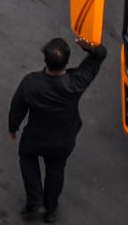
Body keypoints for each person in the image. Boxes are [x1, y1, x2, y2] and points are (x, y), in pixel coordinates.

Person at [7, 36, 107, 222]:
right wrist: (89, 48)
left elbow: (17, 107)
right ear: (67, 61)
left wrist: (13, 127)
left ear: (45, 60)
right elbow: (100, 56)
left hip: (35, 137)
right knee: (56, 171)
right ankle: (50, 210)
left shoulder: (31, 82)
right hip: (63, 140)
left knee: (27, 158)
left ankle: (33, 200)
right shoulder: (75, 83)